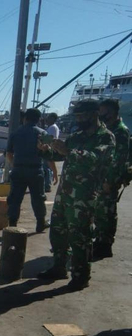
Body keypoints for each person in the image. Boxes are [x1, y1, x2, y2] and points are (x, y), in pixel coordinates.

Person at [37, 99, 115, 291]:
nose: (78, 120)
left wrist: (69, 150)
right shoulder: (77, 135)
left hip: (83, 196)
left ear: (94, 114)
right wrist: (46, 152)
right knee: (58, 232)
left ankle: (81, 276)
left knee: (80, 237)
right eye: (77, 116)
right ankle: (59, 266)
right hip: (65, 194)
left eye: (82, 116)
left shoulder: (105, 137)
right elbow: (60, 156)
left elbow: (95, 159)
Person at [93, 98, 131, 258]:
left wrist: (110, 180)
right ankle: (100, 239)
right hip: (101, 178)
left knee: (107, 211)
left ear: (111, 112)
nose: (100, 114)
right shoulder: (107, 129)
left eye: (102, 111)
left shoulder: (120, 131)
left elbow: (119, 159)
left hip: (110, 178)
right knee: (99, 211)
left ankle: (105, 245)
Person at [6, 108, 49, 232]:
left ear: (25, 118)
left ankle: (12, 224)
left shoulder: (15, 133)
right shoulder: (43, 133)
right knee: (38, 197)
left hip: (18, 169)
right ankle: (40, 223)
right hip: (36, 170)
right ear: (39, 119)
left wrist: (15, 165)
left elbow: (9, 153)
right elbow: (47, 153)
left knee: (15, 198)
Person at [44, 113, 60, 192]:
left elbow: (50, 138)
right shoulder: (52, 127)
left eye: (49, 118)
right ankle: (46, 184)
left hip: (49, 149)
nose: (47, 120)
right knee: (46, 168)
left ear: (53, 119)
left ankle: (47, 185)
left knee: (47, 168)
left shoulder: (52, 127)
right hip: (49, 149)